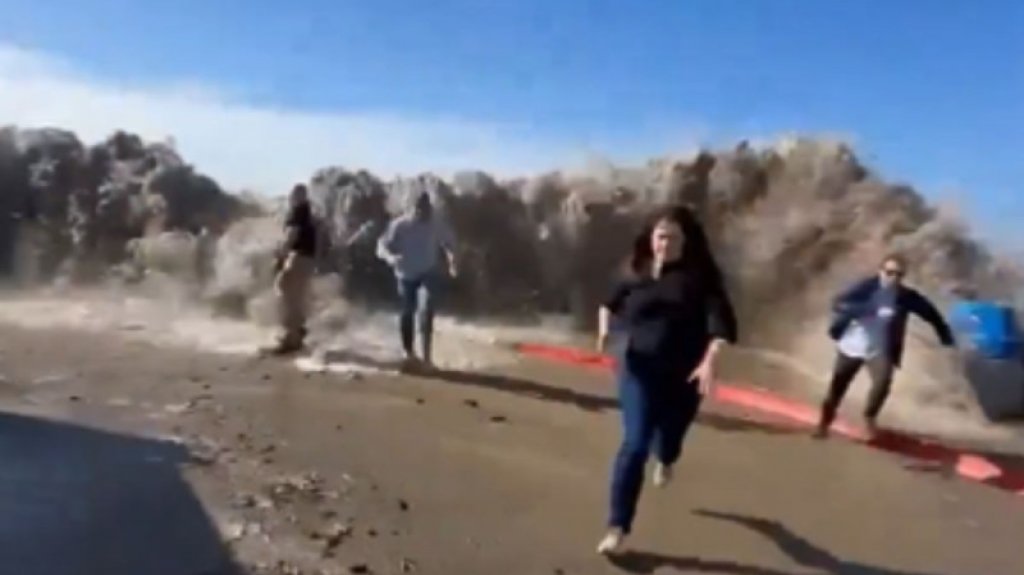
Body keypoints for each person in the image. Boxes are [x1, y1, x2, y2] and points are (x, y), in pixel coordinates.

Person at [594, 205, 738, 555]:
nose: (666, 243)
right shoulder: (634, 270)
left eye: (674, 237)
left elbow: (722, 325)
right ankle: (617, 527)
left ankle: (668, 458)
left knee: (668, 441)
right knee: (635, 443)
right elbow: (607, 304)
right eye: (661, 236)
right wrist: (603, 330)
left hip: (684, 376)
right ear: (651, 238)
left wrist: (710, 361)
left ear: (686, 241)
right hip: (637, 370)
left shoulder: (700, 280)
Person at [815, 253, 956, 439]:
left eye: (899, 274)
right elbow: (839, 303)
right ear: (880, 272)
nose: (894, 278)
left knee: (883, 382)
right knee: (837, 389)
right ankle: (823, 425)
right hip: (852, 346)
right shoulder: (866, 288)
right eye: (889, 273)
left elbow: (930, 313)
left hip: (880, 349)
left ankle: (868, 419)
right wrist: (869, 309)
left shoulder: (905, 297)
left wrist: (945, 334)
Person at [376, 192, 458, 367]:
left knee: (427, 309)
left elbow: (449, 243)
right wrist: (390, 257)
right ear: (413, 208)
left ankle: (427, 357)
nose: (425, 212)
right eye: (421, 208)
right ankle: (409, 352)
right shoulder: (400, 225)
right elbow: (381, 246)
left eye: (427, 208)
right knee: (407, 311)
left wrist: (452, 261)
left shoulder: (436, 224)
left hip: (428, 272)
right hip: (405, 274)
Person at [271, 183, 317, 354]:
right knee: (295, 295)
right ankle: (298, 331)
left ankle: (291, 336)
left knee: (285, 292)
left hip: (297, 257)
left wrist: (281, 254)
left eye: (292, 195)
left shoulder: (298, 212)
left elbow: (292, 235)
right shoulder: (308, 213)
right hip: (307, 259)